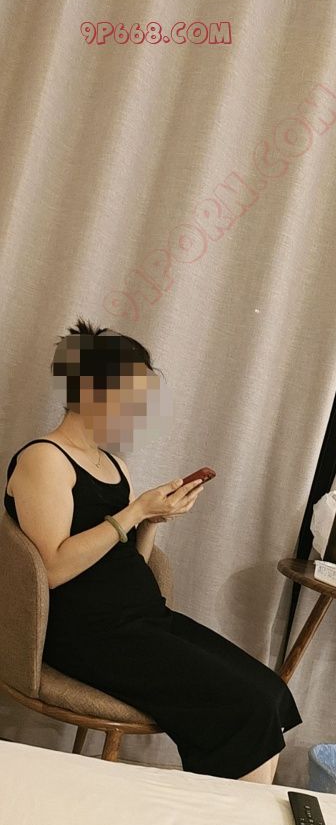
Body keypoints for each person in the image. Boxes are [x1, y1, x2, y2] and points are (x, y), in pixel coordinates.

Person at [3, 318, 302, 783]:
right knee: (247, 706)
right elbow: (52, 568)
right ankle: (229, 817)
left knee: (271, 692)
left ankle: (234, 812)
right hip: (86, 633)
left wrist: (151, 521)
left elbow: (125, 565)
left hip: (142, 618)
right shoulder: (44, 458)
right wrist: (134, 511)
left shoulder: (114, 464)